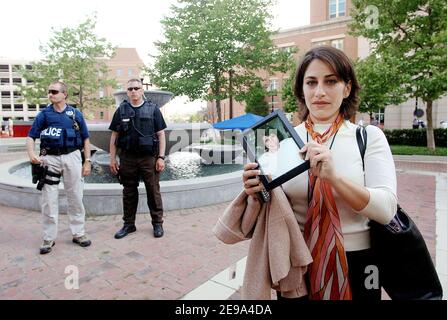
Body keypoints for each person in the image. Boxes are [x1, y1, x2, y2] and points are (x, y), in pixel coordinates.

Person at [242, 46, 397, 300]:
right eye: (311, 82)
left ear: (347, 88)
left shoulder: (368, 137)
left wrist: (334, 177)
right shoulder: (285, 141)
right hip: (296, 262)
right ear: (302, 90)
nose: (320, 92)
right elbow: (275, 207)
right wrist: (255, 192)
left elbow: (386, 209)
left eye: (331, 81)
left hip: (358, 265)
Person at [26, 81, 92, 254]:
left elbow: (85, 139)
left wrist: (87, 161)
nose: (51, 94)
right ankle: (48, 238)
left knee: (76, 196)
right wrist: (31, 154)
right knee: (49, 199)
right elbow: (31, 136)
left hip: (72, 156)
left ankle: (78, 233)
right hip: (50, 159)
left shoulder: (75, 114)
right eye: (49, 91)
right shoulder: (44, 115)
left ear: (65, 94)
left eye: (54, 91)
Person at [109, 78, 167, 239]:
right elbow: (114, 135)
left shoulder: (153, 109)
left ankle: (157, 223)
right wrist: (112, 159)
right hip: (127, 158)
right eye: (130, 89)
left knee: (153, 191)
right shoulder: (121, 111)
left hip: (149, 157)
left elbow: (161, 134)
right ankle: (129, 224)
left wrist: (161, 157)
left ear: (142, 91)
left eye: (136, 88)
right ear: (127, 92)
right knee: (128, 192)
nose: (133, 91)